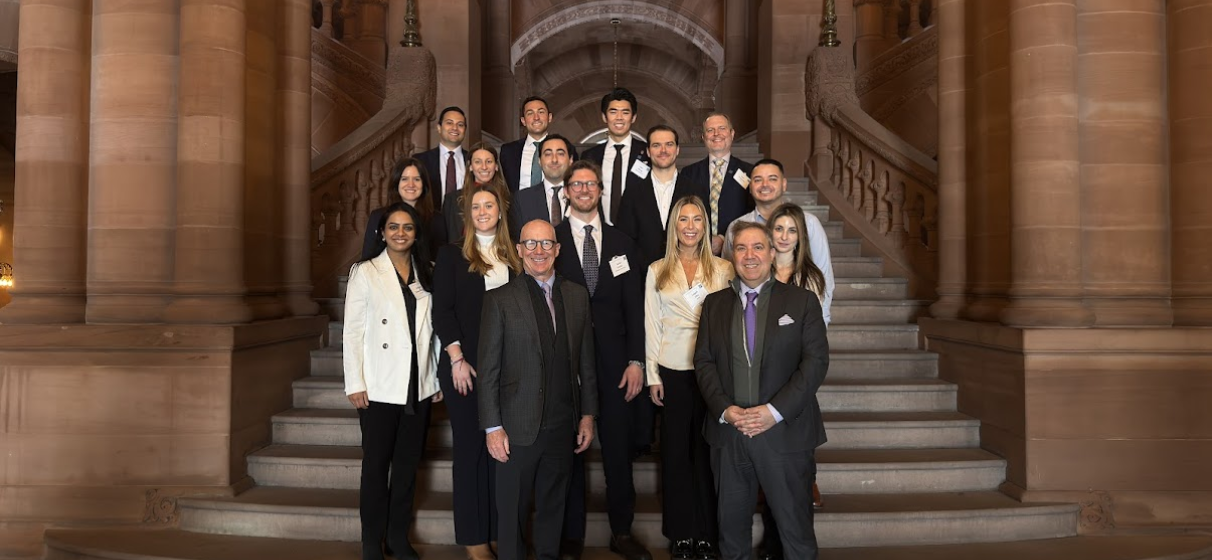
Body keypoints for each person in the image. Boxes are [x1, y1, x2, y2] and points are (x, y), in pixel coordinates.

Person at [694, 221, 829, 560]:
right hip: (730, 436)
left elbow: (815, 363)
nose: (749, 255)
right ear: (732, 255)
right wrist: (725, 410)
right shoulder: (713, 304)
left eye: (758, 248)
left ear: (772, 253)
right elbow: (704, 363)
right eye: (741, 248)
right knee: (731, 538)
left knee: (795, 535)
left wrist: (773, 411)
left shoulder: (802, 302)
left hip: (784, 434)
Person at [478, 219, 598, 560]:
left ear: (558, 250)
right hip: (516, 429)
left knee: (552, 513)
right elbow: (488, 370)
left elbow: (586, 363)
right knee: (512, 518)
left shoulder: (576, 296)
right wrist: (492, 427)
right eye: (530, 244)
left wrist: (588, 415)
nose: (538, 251)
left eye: (546, 244)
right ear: (518, 250)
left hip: (563, 426)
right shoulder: (499, 300)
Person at [553, 161, 651, 560]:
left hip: (616, 365)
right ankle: (570, 534)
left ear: (599, 191)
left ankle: (622, 532)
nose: (584, 190)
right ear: (566, 192)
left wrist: (637, 361)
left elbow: (637, 309)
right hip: (567, 361)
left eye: (590, 184)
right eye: (576, 184)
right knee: (568, 450)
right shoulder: (551, 241)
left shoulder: (624, 243)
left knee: (617, 449)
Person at [343, 201, 443, 560]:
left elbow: (432, 333)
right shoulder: (366, 271)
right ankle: (372, 541)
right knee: (375, 468)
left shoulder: (427, 273)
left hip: (417, 385)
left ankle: (398, 538)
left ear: (417, 235)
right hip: (380, 386)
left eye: (408, 228)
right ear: (382, 232)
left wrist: (434, 378)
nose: (401, 233)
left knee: (405, 469)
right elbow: (352, 332)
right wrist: (355, 381)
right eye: (394, 227)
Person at [433, 188, 522, 560]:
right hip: (465, 368)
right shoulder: (452, 255)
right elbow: (443, 311)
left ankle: (499, 531)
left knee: (500, 454)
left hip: (506, 369)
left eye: (489, 205)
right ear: (467, 215)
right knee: (470, 453)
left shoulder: (514, 256)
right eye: (476, 207)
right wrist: (456, 358)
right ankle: (474, 538)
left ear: (500, 212)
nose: (483, 211)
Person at [644, 196, 734, 560]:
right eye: (684, 219)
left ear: (705, 226)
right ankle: (681, 535)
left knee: (708, 455)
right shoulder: (657, 269)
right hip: (673, 370)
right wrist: (652, 374)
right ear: (675, 226)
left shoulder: (725, 269)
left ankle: (706, 534)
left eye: (698, 219)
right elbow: (652, 325)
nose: (691, 226)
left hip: (713, 372)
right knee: (676, 456)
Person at [722, 158, 834, 324]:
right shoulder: (736, 228)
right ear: (750, 187)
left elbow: (824, 278)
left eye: (772, 179)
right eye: (758, 180)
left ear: (784, 184)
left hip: (799, 323)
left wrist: (820, 325)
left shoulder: (809, 224)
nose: (765, 184)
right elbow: (728, 278)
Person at [673, 113, 754, 255]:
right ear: (703, 137)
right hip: (697, 250)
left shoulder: (749, 172)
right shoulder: (688, 173)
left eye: (722, 128)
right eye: (710, 130)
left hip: (737, 250)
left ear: (732, 133)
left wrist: (724, 237)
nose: (716, 134)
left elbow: (752, 213)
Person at [617, 124, 692, 268]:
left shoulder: (695, 190)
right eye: (657, 145)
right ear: (648, 151)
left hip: (687, 276)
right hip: (642, 278)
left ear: (677, 150)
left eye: (669, 144)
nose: (663, 150)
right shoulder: (632, 193)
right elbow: (624, 240)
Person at [580, 88, 649, 227]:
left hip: (639, 232)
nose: (619, 118)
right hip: (599, 231)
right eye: (613, 112)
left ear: (633, 117)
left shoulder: (648, 152)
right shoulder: (589, 156)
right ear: (604, 117)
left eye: (625, 112)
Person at [360, 157, 446, 259]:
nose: (411, 184)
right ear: (396, 183)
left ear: (424, 185)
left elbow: (441, 262)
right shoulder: (378, 217)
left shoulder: (437, 220)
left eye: (416, 179)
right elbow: (367, 258)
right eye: (404, 179)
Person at [441, 142, 511, 243]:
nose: (484, 167)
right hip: (459, 256)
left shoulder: (509, 199)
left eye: (489, 161)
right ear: (470, 166)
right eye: (478, 162)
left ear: (496, 166)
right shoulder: (452, 200)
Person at [511, 134, 576, 238]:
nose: (554, 160)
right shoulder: (522, 199)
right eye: (548, 154)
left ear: (571, 160)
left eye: (560, 154)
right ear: (539, 161)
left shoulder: (583, 195)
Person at [415, 106, 470, 209]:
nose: (455, 128)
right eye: (449, 123)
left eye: (460, 125)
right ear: (439, 128)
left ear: (465, 130)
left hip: (465, 222)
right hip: (431, 222)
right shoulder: (420, 161)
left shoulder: (473, 161)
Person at [500, 96, 554, 193]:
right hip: (520, 207)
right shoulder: (508, 152)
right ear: (523, 121)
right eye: (530, 113)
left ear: (549, 117)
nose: (536, 118)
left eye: (541, 112)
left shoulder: (565, 150)